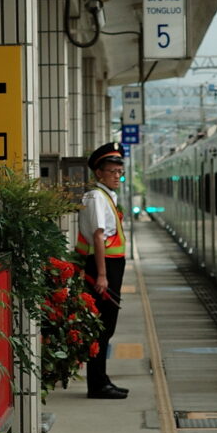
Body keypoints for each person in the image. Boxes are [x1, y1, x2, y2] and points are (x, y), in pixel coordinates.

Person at [76, 143, 130, 400]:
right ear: (99, 173)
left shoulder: (105, 196)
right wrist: (102, 275)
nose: (117, 176)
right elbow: (98, 236)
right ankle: (97, 385)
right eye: (112, 171)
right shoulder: (97, 197)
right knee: (101, 328)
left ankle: (102, 378)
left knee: (106, 327)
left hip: (109, 265)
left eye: (120, 172)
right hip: (103, 266)